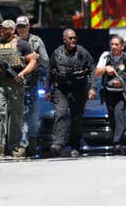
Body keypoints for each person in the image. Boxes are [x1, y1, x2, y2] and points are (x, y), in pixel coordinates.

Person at [0, 20, 39, 158]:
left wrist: (23, 73)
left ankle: (16, 146)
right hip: (0, 82)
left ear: (12, 30)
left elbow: (33, 61)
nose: (1, 32)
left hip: (16, 83)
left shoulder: (21, 44)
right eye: (1, 29)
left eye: (4, 29)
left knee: (16, 116)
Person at [45, 29, 95, 158]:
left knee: (76, 118)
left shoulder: (83, 53)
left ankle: (75, 145)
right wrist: (47, 90)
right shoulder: (57, 53)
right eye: (70, 38)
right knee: (60, 113)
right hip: (61, 89)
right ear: (64, 40)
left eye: (75, 38)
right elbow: (50, 71)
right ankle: (58, 143)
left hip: (79, 88)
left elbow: (92, 69)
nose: (73, 40)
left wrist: (93, 88)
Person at [95, 36, 126, 155]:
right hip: (108, 92)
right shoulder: (105, 56)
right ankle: (117, 143)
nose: (114, 47)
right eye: (112, 44)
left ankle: (116, 142)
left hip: (121, 93)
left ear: (122, 46)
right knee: (112, 118)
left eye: (116, 44)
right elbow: (96, 73)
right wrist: (105, 69)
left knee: (118, 113)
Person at [15, 15, 49, 157]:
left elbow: (46, 62)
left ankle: (33, 142)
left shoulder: (36, 41)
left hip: (32, 83)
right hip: (15, 83)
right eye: (19, 27)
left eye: (24, 26)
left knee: (34, 115)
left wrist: (35, 57)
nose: (21, 29)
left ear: (29, 26)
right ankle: (21, 145)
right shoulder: (11, 42)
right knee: (19, 115)